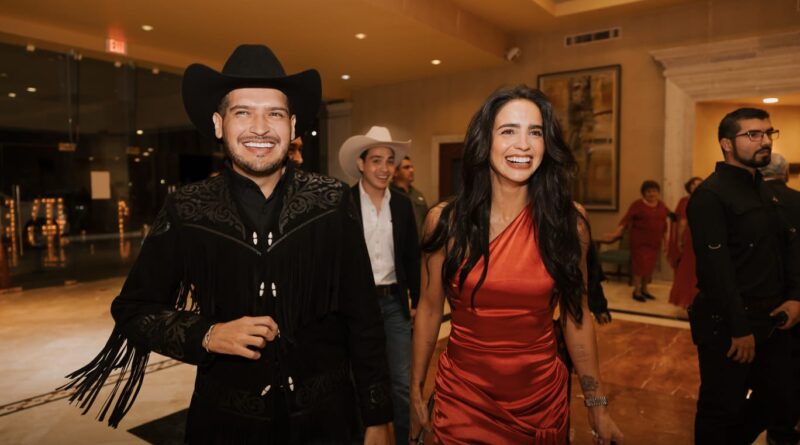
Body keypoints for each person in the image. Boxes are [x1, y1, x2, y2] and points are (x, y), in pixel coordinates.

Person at [61, 44, 394, 444]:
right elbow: (133, 309)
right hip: (225, 425)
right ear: (219, 124)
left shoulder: (331, 202)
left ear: (292, 125)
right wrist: (207, 334)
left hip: (328, 421)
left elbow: (364, 317)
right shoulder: (188, 209)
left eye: (274, 113)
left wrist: (379, 416)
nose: (260, 128)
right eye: (243, 113)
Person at [410, 85, 623, 445]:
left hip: (540, 402)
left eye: (535, 132)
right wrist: (415, 391)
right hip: (463, 400)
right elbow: (429, 310)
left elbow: (577, 316)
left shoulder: (568, 223)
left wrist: (596, 405)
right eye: (509, 131)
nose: (523, 145)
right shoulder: (446, 222)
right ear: (485, 141)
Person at [687, 107, 800, 445]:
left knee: (781, 397)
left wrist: (796, 298)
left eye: (768, 133)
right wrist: (739, 328)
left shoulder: (767, 191)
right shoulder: (710, 195)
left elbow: (787, 250)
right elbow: (716, 270)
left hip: (774, 321)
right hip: (729, 324)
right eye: (753, 134)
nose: (764, 141)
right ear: (726, 144)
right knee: (720, 408)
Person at [338, 125, 421, 445]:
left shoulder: (402, 205)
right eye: (376, 160)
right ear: (361, 164)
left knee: (400, 381)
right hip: (355, 307)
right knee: (356, 379)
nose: (384, 168)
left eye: (389, 161)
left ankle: (402, 439)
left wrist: (417, 301)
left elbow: (412, 257)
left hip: (393, 303)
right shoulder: (343, 204)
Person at [759, 152, 800, 445]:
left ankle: (774, 426)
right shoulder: (798, 200)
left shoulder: (749, 201)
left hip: (760, 297)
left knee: (768, 368)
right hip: (795, 296)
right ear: (785, 173)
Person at [607, 180, 670, 302]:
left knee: (649, 268)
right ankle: (636, 291)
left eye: (654, 191)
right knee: (639, 267)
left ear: (658, 193)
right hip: (639, 243)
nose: (652, 194)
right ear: (643, 193)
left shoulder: (662, 206)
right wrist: (616, 233)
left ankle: (645, 290)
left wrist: (666, 242)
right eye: (648, 191)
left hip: (654, 243)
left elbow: (664, 226)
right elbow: (626, 220)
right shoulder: (637, 205)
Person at [667, 177, 702, 309]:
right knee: (689, 269)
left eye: (699, 184)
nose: (696, 186)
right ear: (689, 187)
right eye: (693, 184)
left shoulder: (698, 200)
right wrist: (680, 240)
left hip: (699, 237)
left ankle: (691, 299)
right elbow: (681, 222)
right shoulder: (686, 201)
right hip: (690, 238)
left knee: (693, 270)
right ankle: (689, 299)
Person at [392, 156, 429, 240]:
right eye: (406, 167)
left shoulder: (418, 195)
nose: (412, 170)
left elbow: (426, 220)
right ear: (395, 172)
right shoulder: (389, 195)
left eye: (412, 167)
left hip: (419, 243)